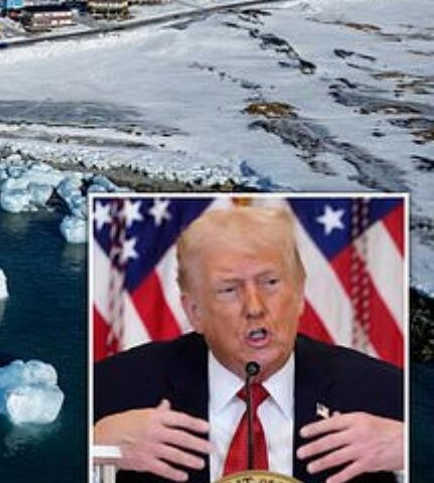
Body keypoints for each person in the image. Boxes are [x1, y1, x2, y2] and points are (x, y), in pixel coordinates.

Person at [93, 207, 403, 483]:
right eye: (229, 290)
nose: (255, 307)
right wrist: (95, 446)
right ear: (194, 313)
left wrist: (408, 449)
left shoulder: (386, 394)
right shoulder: (111, 389)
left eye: (270, 283)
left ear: (298, 295)